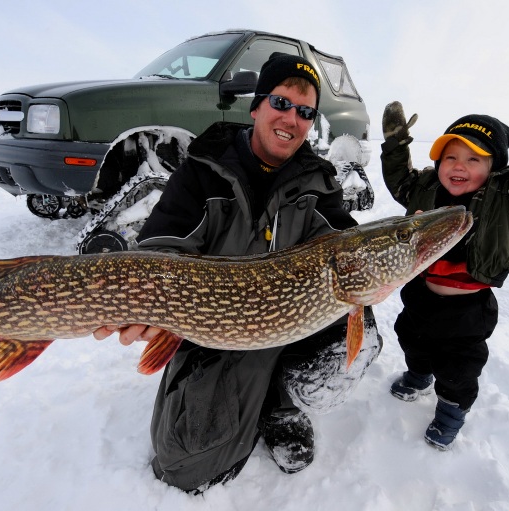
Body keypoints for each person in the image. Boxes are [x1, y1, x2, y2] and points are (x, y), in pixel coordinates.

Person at [94, 53, 382, 492]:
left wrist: (386, 259)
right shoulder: (204, 170)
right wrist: (147, 300)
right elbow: (164, 239)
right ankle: (223, 382)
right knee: (186, 466)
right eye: (281, 103)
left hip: (284, 323)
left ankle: (282, 401)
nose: (292, 119)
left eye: (305, 112)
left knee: (354, 338)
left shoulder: (318, 181)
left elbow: (342, 239)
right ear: (257, 106)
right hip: (212, 327)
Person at [380, 93, 509, 450]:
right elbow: (399, 179)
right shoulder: (424, 189)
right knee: (412, 341)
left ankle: (451, 410)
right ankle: (418, 374)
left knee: (459, 369)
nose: (459, 166)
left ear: (493, 168)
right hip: (420, 295)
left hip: (468, 309)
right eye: (451, 157)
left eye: (474, 159)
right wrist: (395, 143)